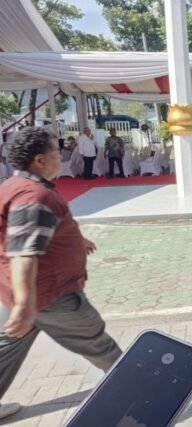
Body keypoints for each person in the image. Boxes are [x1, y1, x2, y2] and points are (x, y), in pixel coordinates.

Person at [0, 127, 122, 420]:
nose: (62, 156)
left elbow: (26, 231)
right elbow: (24, 251)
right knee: (100, 346)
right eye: (56, 151)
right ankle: (145, 396)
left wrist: (76, 240)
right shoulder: (34, 195)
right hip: (50, 295)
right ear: (40, 160)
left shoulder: (14, 185)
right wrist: (26, 305)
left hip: (19, 291)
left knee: (5, 350)